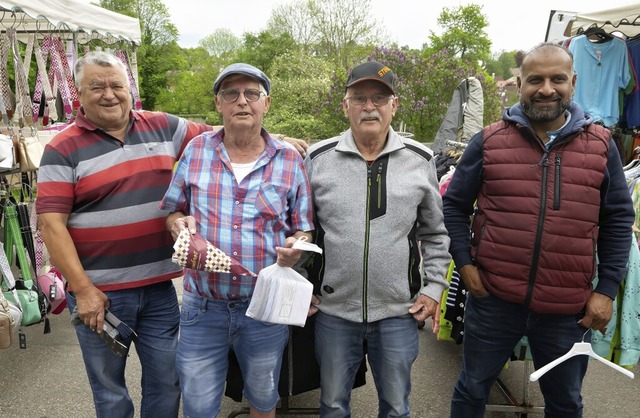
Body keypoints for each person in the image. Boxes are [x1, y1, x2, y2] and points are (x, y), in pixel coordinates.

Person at [35, 51, 307, 418]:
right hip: (101, 294)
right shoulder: (62, 147)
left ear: (130, 89)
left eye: (117, 85)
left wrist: (280, 138)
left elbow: (228, 129)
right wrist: (82, 290)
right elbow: (51, 224)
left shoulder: (162, 126)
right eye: (96, 86)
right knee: (110, 391)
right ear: (78, 95)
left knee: (167, 384)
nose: (109, 94)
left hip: (159, 289)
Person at [443, 43, 635, 418]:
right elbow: (453, 205)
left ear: (573, 83)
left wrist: (607, 290)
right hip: (494, 300)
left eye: (557, 79)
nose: (546, 89)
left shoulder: (600, 145)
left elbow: (617, 221)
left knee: (565, 403)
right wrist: (464, 263)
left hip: (567, 309)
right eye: (535, 80)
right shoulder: (489, 140)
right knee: (471, 390)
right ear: (519, 84)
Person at [160, 63, 314, 418]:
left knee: (262, 400)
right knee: (198, 407)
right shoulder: (197, 150)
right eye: (231, 93)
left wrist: (297, 247)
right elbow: (172, 210)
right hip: (202, 308)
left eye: (251, 93)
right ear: (218, 103)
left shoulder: (289, 160)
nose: (241, 101)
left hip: (263, 308)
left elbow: (304, 227)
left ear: (266, 103)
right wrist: (177, 225)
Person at [304, 60, 451, 417]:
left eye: (379, 99)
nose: (369, 107)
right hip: (334, 311)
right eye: (359, 98)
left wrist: (433, 289)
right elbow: (302, 229)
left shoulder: (420, 160)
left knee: (397, 407)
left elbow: (435, 232)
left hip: (399, 313)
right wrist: (302, 283)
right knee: (333, 405)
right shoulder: (318, 159)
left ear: (394, 105)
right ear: (345, 105)